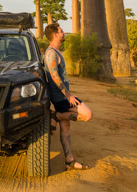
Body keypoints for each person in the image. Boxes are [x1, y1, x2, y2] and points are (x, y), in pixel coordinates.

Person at [43, 22, 93, 171]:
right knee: (88, 114)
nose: (64, 33)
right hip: (60, 97)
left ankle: (69, 160)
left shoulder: (55, 52)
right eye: (61, 31)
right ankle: (57, 116)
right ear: (55, 35)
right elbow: (54, 75)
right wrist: (68, 94)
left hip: (61, 96)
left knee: (66, 130)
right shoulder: (51, 53)